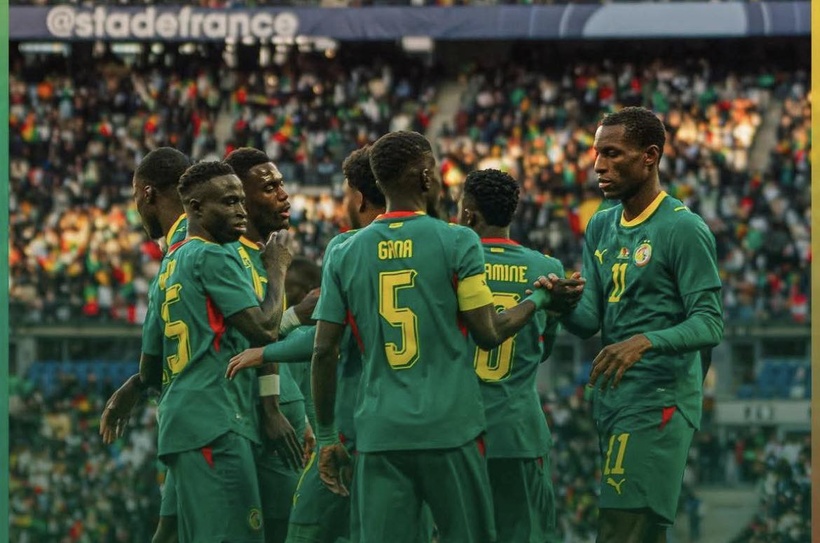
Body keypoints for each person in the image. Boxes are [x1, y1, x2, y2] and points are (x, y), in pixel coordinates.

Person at [310, 131, 578, 543]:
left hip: (380, 431)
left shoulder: (343, 251)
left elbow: (324, 349)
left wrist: (327, 436)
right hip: (451, 430)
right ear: (426, 177)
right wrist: (539, 298)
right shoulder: (457, 240)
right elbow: (488, 333)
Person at [544, 107, 723, 543]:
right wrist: (562, 304)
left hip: (659, 398)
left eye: (612, 153)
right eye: (596, 153)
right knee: (643, 532)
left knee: (618, 529)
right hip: (615, 398)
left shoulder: (682, 229)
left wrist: (644, 342)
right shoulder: (602, 224)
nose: (598, 166)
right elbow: (590, 321)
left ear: (650, 156)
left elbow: (710, 323)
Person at [141, 160, 292, 543]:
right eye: (228, 202)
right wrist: (275, 269)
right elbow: (264, 328)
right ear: (193, 207)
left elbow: (150, 368)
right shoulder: (215, 256)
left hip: (184, 423)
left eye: (241, 201)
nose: (240, 211)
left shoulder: (168, 265)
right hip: (217, 421)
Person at [458, 168, 563, 543]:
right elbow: (544, 350)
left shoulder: (450, 263)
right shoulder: (547, 269)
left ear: (469, 213)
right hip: (519, 432)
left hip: (459, 432)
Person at [100, 146, 191, 543]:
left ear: (148, 193)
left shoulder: (193, 248)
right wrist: (138, 384)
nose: (137, 209)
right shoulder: (182, 248)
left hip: (205, 423)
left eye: (136, 197)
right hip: (191, 421)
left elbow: (257, 328)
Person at [224, 147, 311, 543]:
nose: (283, 194)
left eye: (281, 183)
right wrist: (272, 407)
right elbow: (263, 334)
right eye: (270, 187)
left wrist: (302, 416)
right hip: (252, 419)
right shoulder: (232, 257)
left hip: (284, 418)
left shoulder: (265, 252)